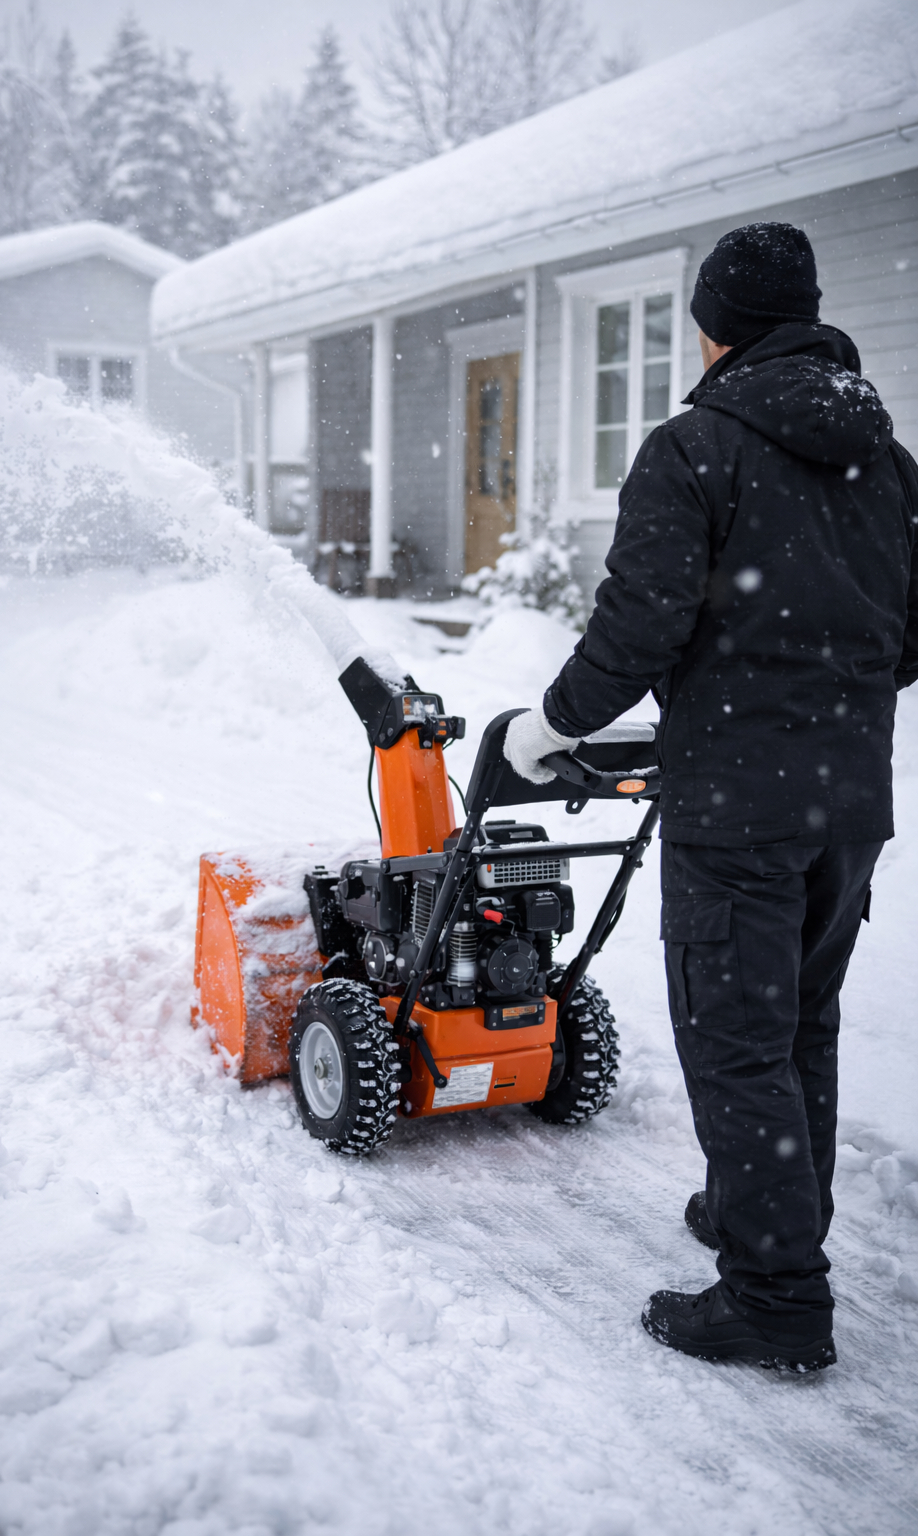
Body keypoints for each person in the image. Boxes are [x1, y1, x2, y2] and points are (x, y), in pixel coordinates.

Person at [504, 223, 918, 1372]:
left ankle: (774, 1297)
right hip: (849, 797)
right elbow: (909, 634)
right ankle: (766, 1212)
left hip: (738, 807)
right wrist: (820, 687)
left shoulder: (696, 446)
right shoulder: (886, 459)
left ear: (712, 327)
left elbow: (638, 629)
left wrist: (550, 727)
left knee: (735, 1041)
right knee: (798, 1024)